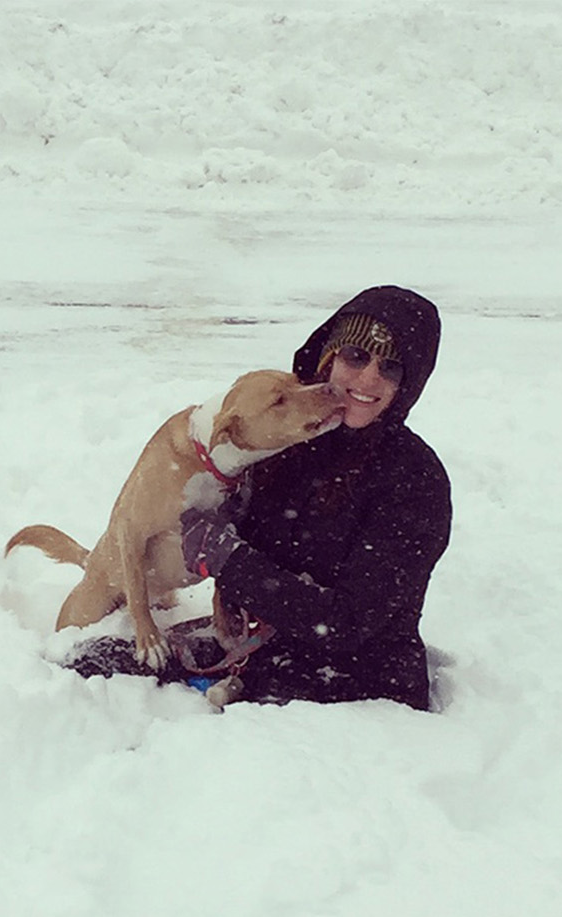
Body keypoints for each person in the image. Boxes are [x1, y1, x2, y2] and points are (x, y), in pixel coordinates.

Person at [177, 285, 451, 709]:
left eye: (391, 368)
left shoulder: (415, 480)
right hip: (263, 648)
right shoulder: (289, 438)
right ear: (329, 356)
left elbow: (346, 621)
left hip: (359, 685)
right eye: (356, 356)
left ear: (408, 384)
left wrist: (228, 559)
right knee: (98, 661)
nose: (367, 379)